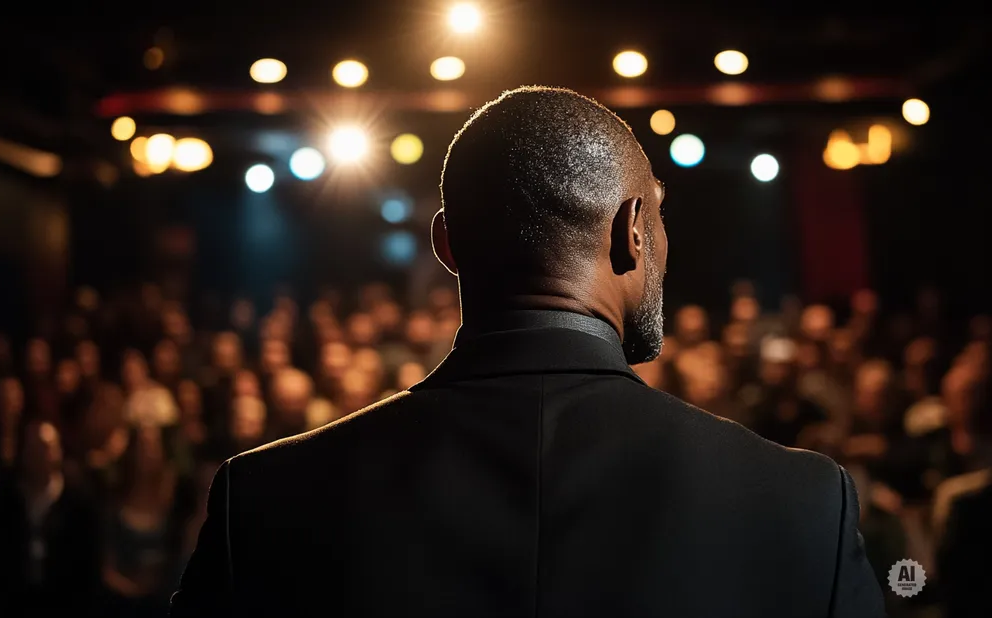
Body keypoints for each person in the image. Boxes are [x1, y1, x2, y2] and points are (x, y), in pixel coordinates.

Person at [172, 87, 884, 617]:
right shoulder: (801, 504)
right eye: (659, 215)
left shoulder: (263, 501)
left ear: (447, 246)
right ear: (633, 230)